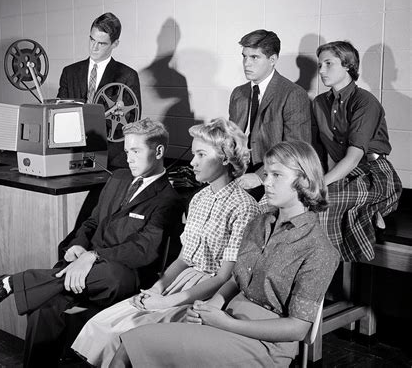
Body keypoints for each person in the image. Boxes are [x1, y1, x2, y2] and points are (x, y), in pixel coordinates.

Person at [0, 118, 184, 367]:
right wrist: (77, 247)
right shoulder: (119, 178)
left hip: (122, 275)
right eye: (126, 152)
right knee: (43, 305)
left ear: (159, 151)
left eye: (136, 151)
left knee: (112, 274)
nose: (129, 158)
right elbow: (91, 223)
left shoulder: (169, 199)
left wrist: (94, 256)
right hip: (84, 269)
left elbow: (143, 250)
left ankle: (11, 282)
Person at [110, 140, 340, 368]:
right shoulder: (259, 223)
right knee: (130, 342)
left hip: (265, 344)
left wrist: (225, 323)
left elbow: (298, 329)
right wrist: (210, 308)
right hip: (226, 318)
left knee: (134, 344)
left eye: (276, 175)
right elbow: (234, 279)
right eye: (266, 174)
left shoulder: (319, 249)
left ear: (304, 181)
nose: (266, 182)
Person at [71, 118, 260, 367]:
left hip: (210, 293)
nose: (192, 162)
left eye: (201, 154)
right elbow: (183, 259)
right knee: (103, 323)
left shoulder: (245, 207)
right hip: (179, 282)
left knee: (127, 335)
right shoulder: (199, 199)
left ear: (225, 158)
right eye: (193, 154)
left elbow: (225, 277)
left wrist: (167, 301)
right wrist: (158, 288)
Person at [312, 41, 402, 261]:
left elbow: (353, 159)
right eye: (320, 64)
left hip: (373, 172)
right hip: (343, 173)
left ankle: (327, 277)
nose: (321, 70)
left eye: (328, 64)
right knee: (307, 202)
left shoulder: (365, 102)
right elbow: (330, 153)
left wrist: (321, 184)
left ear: (347, 65)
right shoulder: (319, 102)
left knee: (325, 204)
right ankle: (369, 210)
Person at [229, 29, 312, 200]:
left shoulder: (293, 94)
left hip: (276, 174)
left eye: (254, 57)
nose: (246, 63)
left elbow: (296, 149)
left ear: (272, 60)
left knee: (236, 204)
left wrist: (260, 176)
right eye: (244, 56)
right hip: (242, 169)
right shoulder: (239, 93)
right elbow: (231, 138)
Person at [57, 12, 142, 169]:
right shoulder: (70, 72)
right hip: (73, 154)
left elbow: (132, 124)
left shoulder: (128, 76)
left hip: (112, 159)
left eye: (101, 43)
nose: (94, 47)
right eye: (91, 39)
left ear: (115, 44)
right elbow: (60, 112)